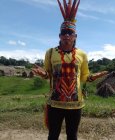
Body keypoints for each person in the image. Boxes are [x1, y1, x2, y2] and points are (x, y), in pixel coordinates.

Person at [32, 0, 108, 140]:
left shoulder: (82, 54)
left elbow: (84, 76)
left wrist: (94, 77)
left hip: (76, 103)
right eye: (64, 32)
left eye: (70, 32)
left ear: (75, 36)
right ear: (59, 35)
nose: (67, 35)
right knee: (53, 135)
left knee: (72, 135)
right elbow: (48, 75)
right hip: (55, 102)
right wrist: (43, 74)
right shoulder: (50, 52)